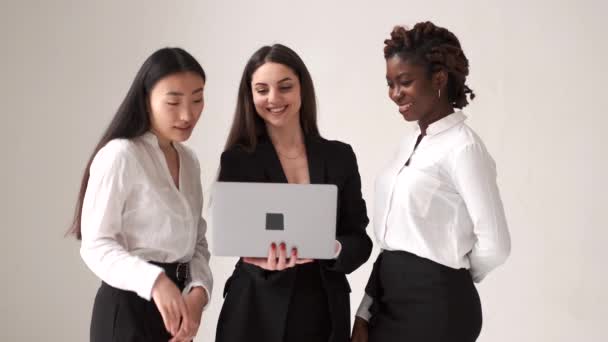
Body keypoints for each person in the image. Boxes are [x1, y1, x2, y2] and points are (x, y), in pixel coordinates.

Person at [351, 21, 511, 342]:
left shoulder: (463, 147)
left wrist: (448, 272)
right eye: (390, 83)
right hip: (388, 297)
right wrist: (364, 310)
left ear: (438, 79)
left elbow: (496, 245)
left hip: (438, 309)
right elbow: (392, 241)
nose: (395, 94)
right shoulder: (410, 143)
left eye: (405, 82)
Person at [214, 44, 372, 342]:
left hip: (322, 310)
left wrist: (332, 248)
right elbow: (235, 235)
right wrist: (258, 260)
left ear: (302, 90)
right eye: (262, 90)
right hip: (255, 309)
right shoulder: (238, 160)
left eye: (284, 87)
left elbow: (359, 239)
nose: (273, 98)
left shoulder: (339, 156)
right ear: (250, 96)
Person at [67, 47, 213, 342]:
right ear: (146, 100)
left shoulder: (189, 161)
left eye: (197, 99)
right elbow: (95, 245)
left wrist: (198, 293)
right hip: (128, 308)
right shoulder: (121, 155)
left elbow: (196, 240)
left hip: (176, 312)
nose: (188, 114)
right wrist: (155, 282)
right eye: (173, 102)